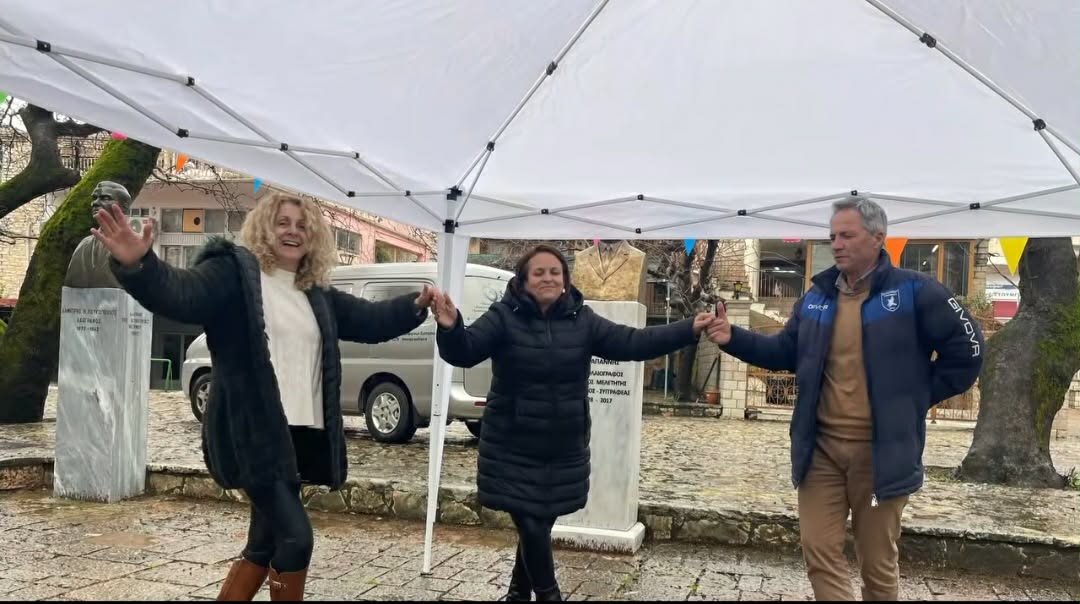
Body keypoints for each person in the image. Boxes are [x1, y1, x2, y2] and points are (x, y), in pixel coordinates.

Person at [91, 192, 436, 601]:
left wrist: (416, 306)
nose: (293, 231)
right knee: (296, 539)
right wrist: (140, 265)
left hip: (297, 437)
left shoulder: (315, 292)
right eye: (282, 222)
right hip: (252, 433)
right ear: (263, 228)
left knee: (264, 543)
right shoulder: (233, 273)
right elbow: (182, 294)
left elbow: (369, 320)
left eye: (302, 225)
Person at [705, 197, 983, 601]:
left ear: (878, 238)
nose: (836, 244)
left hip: (882, 456)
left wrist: (915, 398)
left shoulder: (916, 291)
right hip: (821, 453)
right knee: (818, 550)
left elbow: (968, 353)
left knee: (877, 565)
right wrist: (733, 337)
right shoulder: (816, 297)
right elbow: (785, 352)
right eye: (833, 236)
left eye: (847, 235)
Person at [431, 244, 715, 601]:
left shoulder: (583, 320)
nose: (548, 278)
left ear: (565, 279)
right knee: (530, 522)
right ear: (523, 280)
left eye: (555, 272)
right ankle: (549, 595)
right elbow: (466, 350)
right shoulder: (504, 316)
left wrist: (688, 329)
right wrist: (451, 326)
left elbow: (633, 342)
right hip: (512, 445)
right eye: (539, 272)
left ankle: (518, 593)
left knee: (539, 522)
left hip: (563, 446)